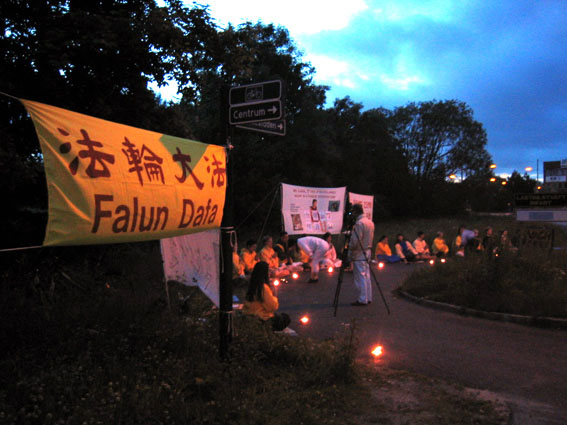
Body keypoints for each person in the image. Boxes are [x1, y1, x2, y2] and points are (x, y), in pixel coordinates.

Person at [243, 261, 291, 331]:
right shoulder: (263, 287)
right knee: (285, 318)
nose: (269, 274)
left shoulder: (252, 284)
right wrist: (274, 296)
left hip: (250, 314)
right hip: (261, 318)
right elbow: (272, 307)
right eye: (268, 271)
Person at [348, 203, 374, 306]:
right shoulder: (370, 222)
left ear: (355, 212)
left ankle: (362, 299)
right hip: (368, 249)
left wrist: (350, 250)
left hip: (359, 251)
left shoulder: (359, 224)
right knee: (366, 274)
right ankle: (368, 297)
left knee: (360, 275)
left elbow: (355, 241)